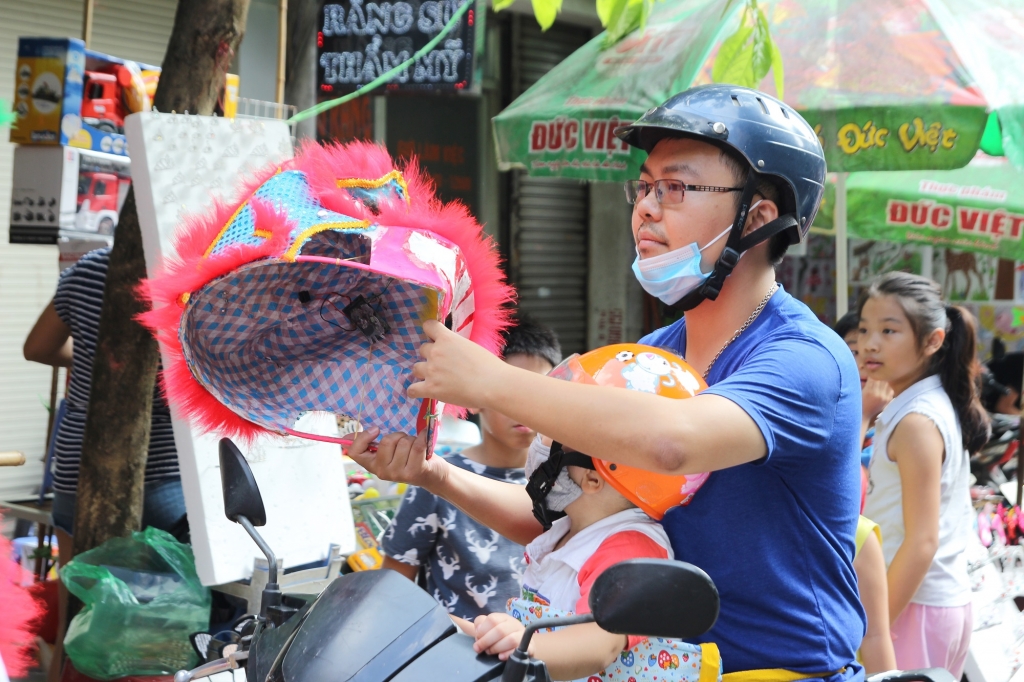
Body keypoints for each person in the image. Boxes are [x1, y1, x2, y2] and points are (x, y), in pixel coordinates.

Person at [347, 84, 866, 680]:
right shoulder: (648, 357)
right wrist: (430, 472)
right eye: (644, 186)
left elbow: (675, 443)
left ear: (758, 217)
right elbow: (570, 506)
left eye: (676, 187)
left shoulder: (805, 359)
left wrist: (489, 381)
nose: (645, 207)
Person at [460, 345, 714, 682]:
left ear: (593, 477)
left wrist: (524, 646)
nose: (540, 442)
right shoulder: (565, 532)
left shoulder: (630, 549)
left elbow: (598, 644)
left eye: (556, 436)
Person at [380, 315, 561, 620]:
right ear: (473, 397)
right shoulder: (433, 477)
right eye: (508, 388)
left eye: (537, 389)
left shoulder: (569, 482)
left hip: (541, 660)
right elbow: (390, 590)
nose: (523, 406)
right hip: (454, 659)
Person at [859, 272, 987, 677]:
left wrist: (872, 630)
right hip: (928, 605)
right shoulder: (920, 405)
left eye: (889, 330)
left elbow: (922, 541)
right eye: (865, 329)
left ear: (933, 341)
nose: (870, 343)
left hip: (913, 607)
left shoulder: (916, 420)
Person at [832, 315, 896, 674]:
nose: (859, 363)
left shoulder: (900, 423)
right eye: (850, 351)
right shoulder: (828, 416)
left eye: (866, 355)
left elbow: (843, 493)